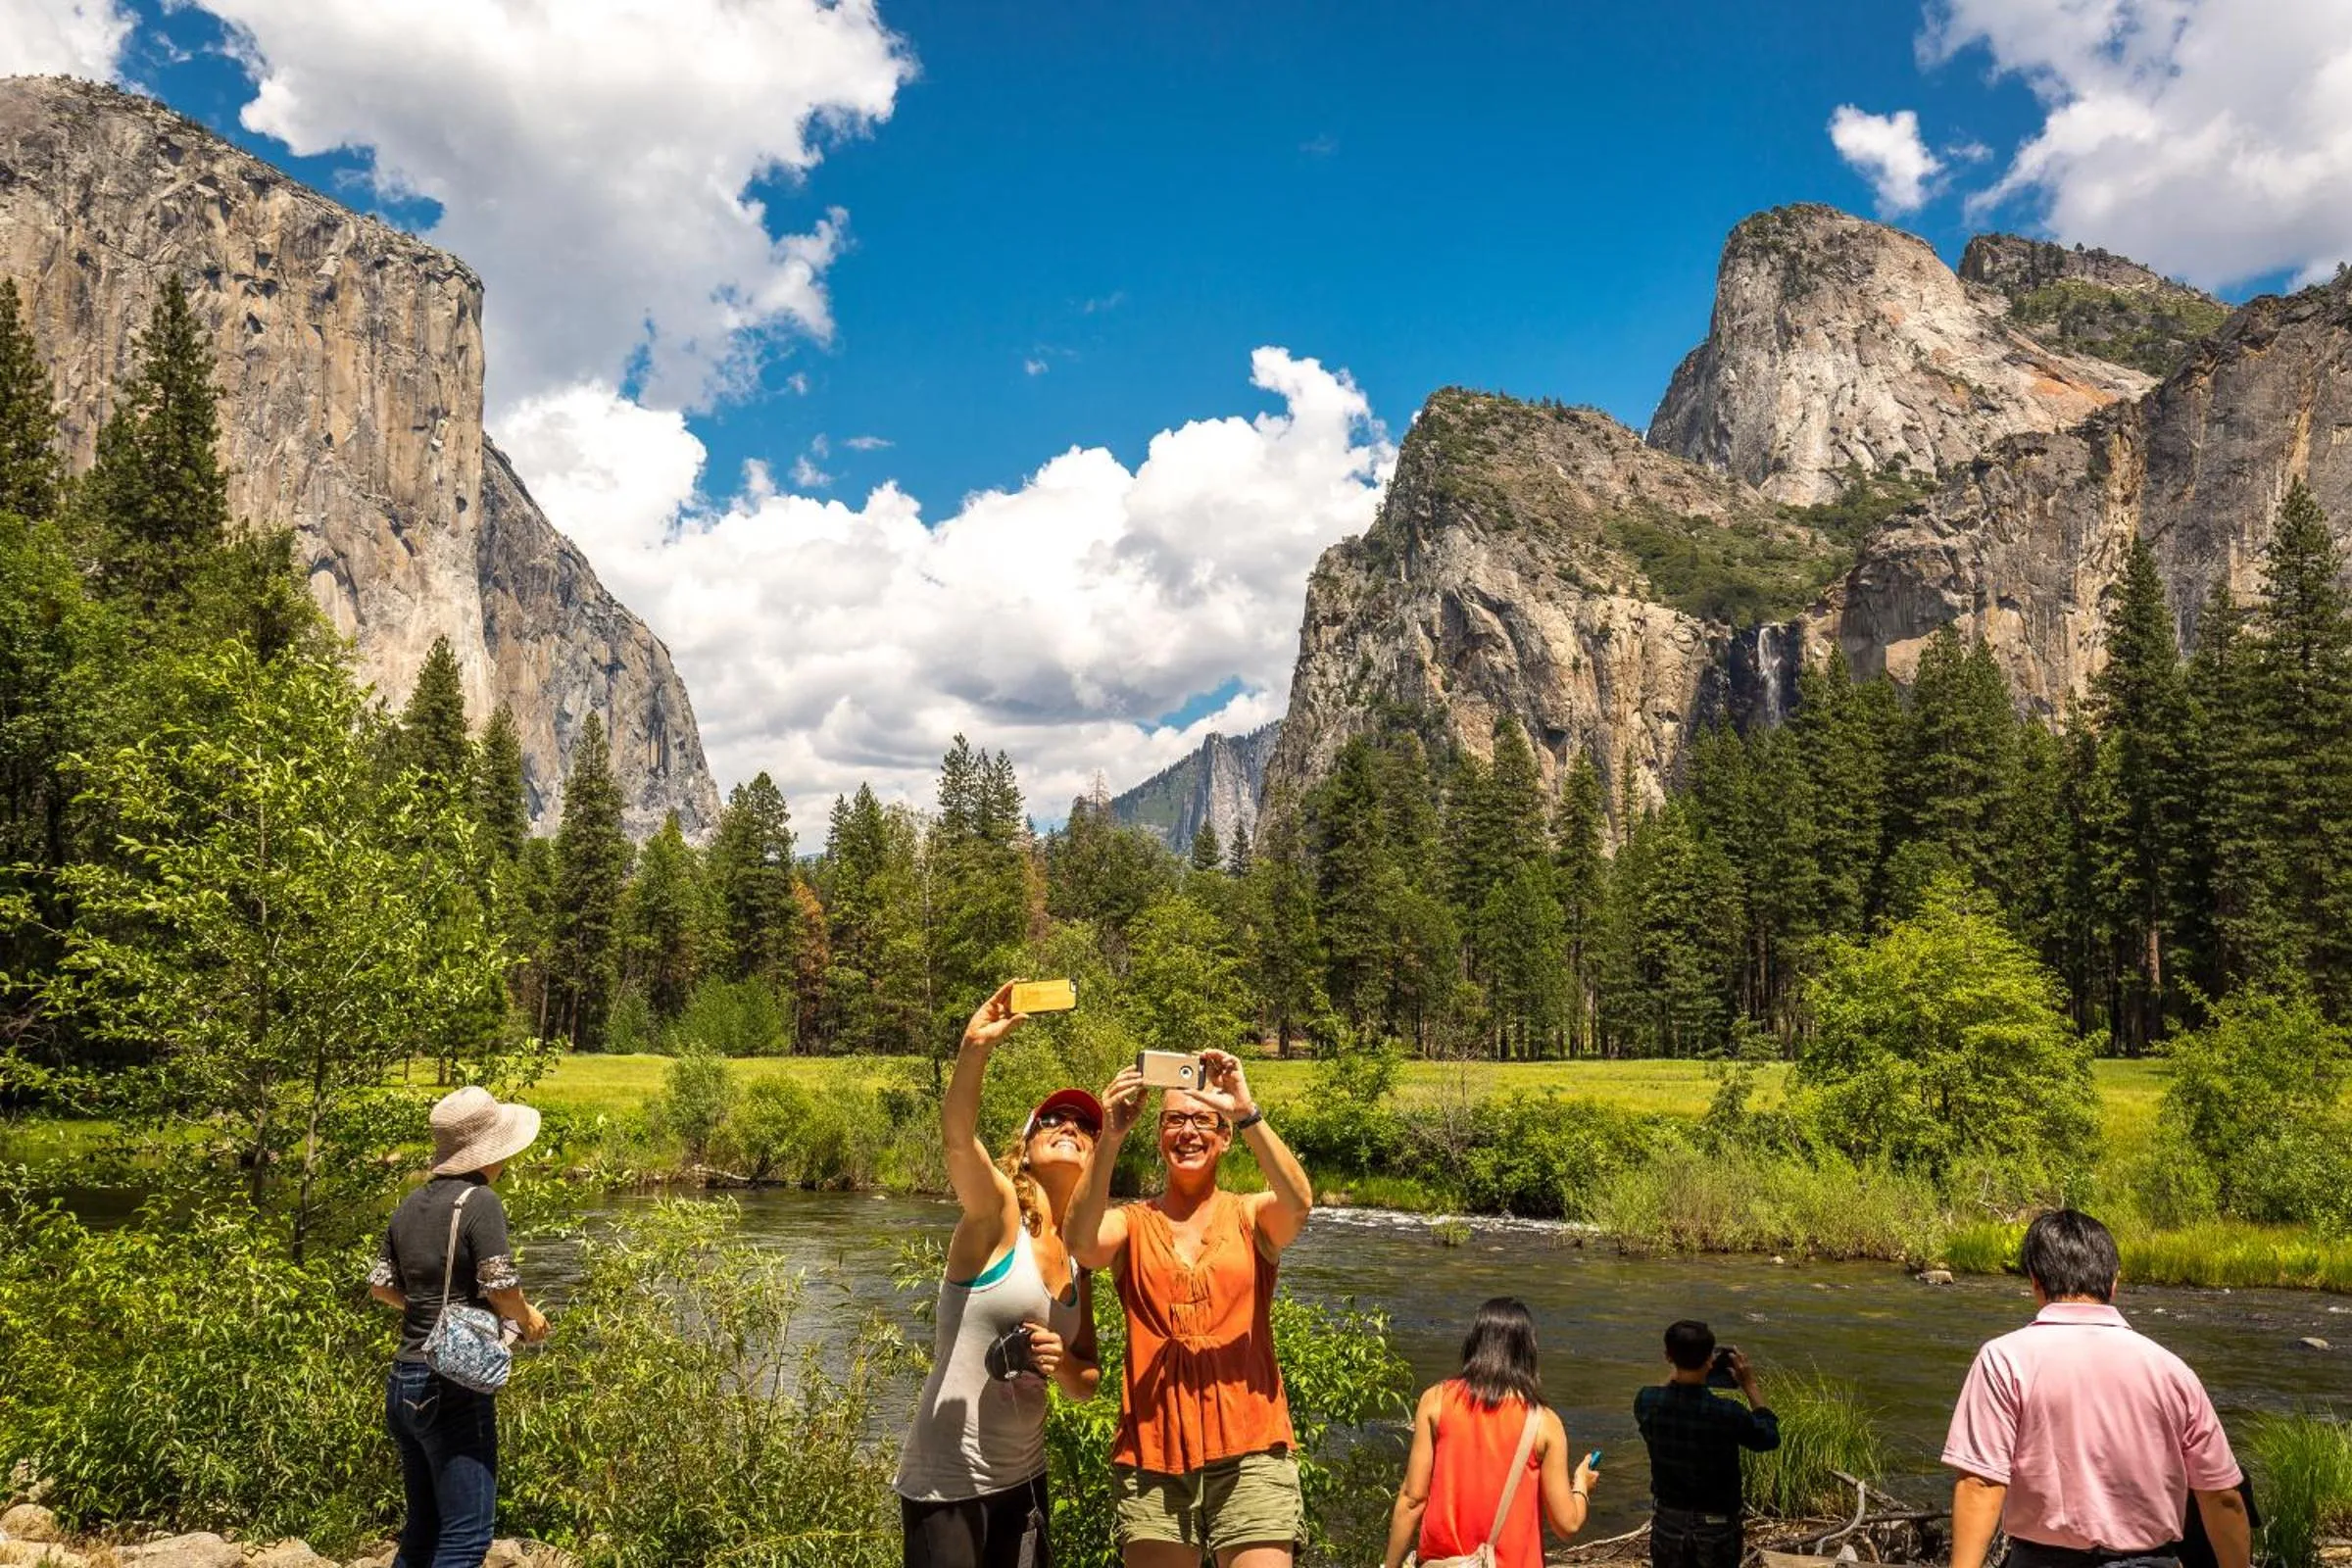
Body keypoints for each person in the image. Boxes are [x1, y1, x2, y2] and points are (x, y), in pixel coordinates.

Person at [1067, 1049, 1315, 1568]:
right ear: (1158, 1135)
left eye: (1203, 1120)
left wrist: (1245, 1110)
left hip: (1252, 1448)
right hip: (1153, 1453)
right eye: (1174, 1120)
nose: (1188, 1133)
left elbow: (1298, 1203)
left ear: (1224, 1137)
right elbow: (1082, 1241)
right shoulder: (1133, 1223)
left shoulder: (1250, 1215)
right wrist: (1109, 1135)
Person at [896, 982, 1103, 1568]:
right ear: (1027, 1147)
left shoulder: (1080, 1255)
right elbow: (959, 1144)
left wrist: (1058, 1359)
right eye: (1052, 1121)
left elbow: (1085, 1382)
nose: (1069, 1127)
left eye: (1083, 1126)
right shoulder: (998, 1216)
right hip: (948, 1486)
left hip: (1026, 1482)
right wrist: (974, 1048)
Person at [1944, 1209, 2249, 1568]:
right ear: (2114, 1282)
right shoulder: (2172, 1370)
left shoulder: (2004, 1360)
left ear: (2035, 1281)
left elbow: (1980, 1484)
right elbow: (2222, 1497)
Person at [367, 1086, 550, 1568]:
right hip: (451, 1387)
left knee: (422, 1531)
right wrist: (527, 1318)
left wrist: (427, 1309)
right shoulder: (479, 1202)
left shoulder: (408, 1204)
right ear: (492, 1150)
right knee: (467, 1538)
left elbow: (381, 1288)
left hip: (404, 1380)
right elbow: (501, 1288)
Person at [1382, 1297, 1601, 1568]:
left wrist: (1389, 1566)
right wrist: (1581, 1484)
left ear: (1474, 1343)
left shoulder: (1435, 1400)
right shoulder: (1544, 1422)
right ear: (1528, 1352)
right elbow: (1567, 1524)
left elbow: (1412, 1500)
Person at [1633, 1321, 1781, 1568]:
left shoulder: (1647, 1402)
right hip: (1717, 1527)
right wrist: (1749, 1384)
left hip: (1669, 1522)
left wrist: (1683, 1370)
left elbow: (1664, 1390)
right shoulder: (1728, 1413)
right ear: (1709, 1360)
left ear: (1668, 1355)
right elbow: (1769, 1438)